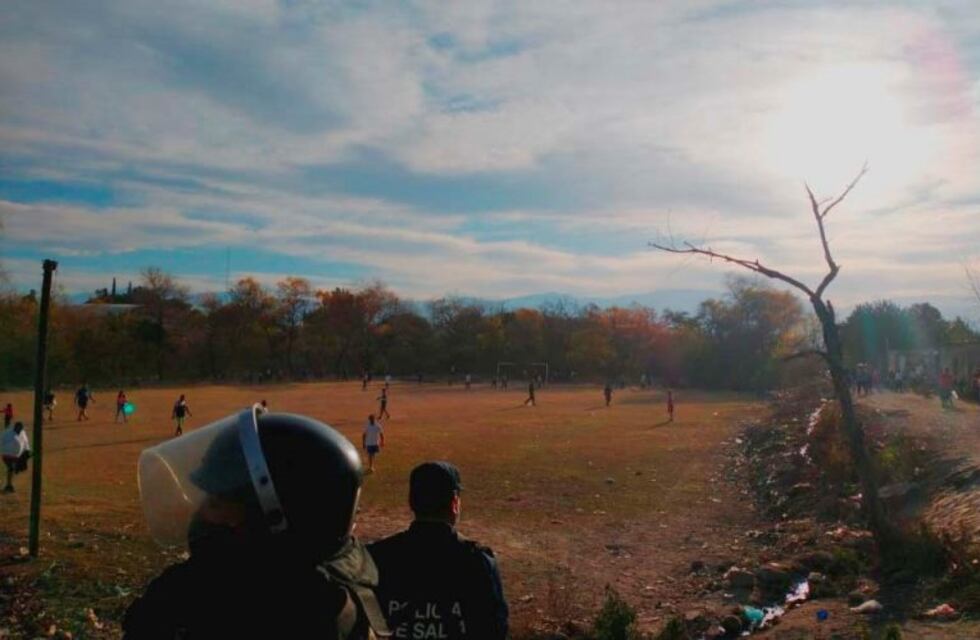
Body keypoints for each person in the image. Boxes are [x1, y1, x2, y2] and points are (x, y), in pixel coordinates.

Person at [123, 407, 389, 639]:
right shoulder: (343, 594)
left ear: (270, 521)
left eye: (216, 503)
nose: (201, 511)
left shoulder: (202, 602)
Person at [368, 462, 508, 640]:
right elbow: (494, 629)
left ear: (412, 502)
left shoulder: (378, 556)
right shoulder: (477, 562)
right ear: (454, 503)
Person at [2, 422, 30, 493]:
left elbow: (25, 442)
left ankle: (9, 485)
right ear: (15, 427)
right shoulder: (7, 434)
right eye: (19, 429)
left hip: (17, 456)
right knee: (11, 468)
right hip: (7, 455)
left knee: (13, 469)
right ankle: (9, 485)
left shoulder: (22, 433)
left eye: (21, 429)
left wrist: (27, 450)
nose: (20, 430)